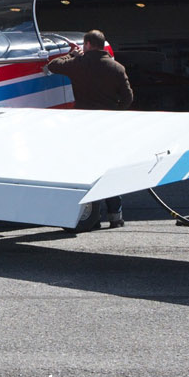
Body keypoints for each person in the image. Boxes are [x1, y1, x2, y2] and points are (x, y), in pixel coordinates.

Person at [48, 29, 133, 228]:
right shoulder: (117, 68)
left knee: (86, 170)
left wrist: (72, 55)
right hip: (109, 125)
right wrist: (115, 112)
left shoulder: (79, 64)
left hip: (84, 125)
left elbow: (53, 65)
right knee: (109, 170)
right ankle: (115, 215)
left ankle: (90, 214)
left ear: (86, 44)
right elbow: (128, 98)